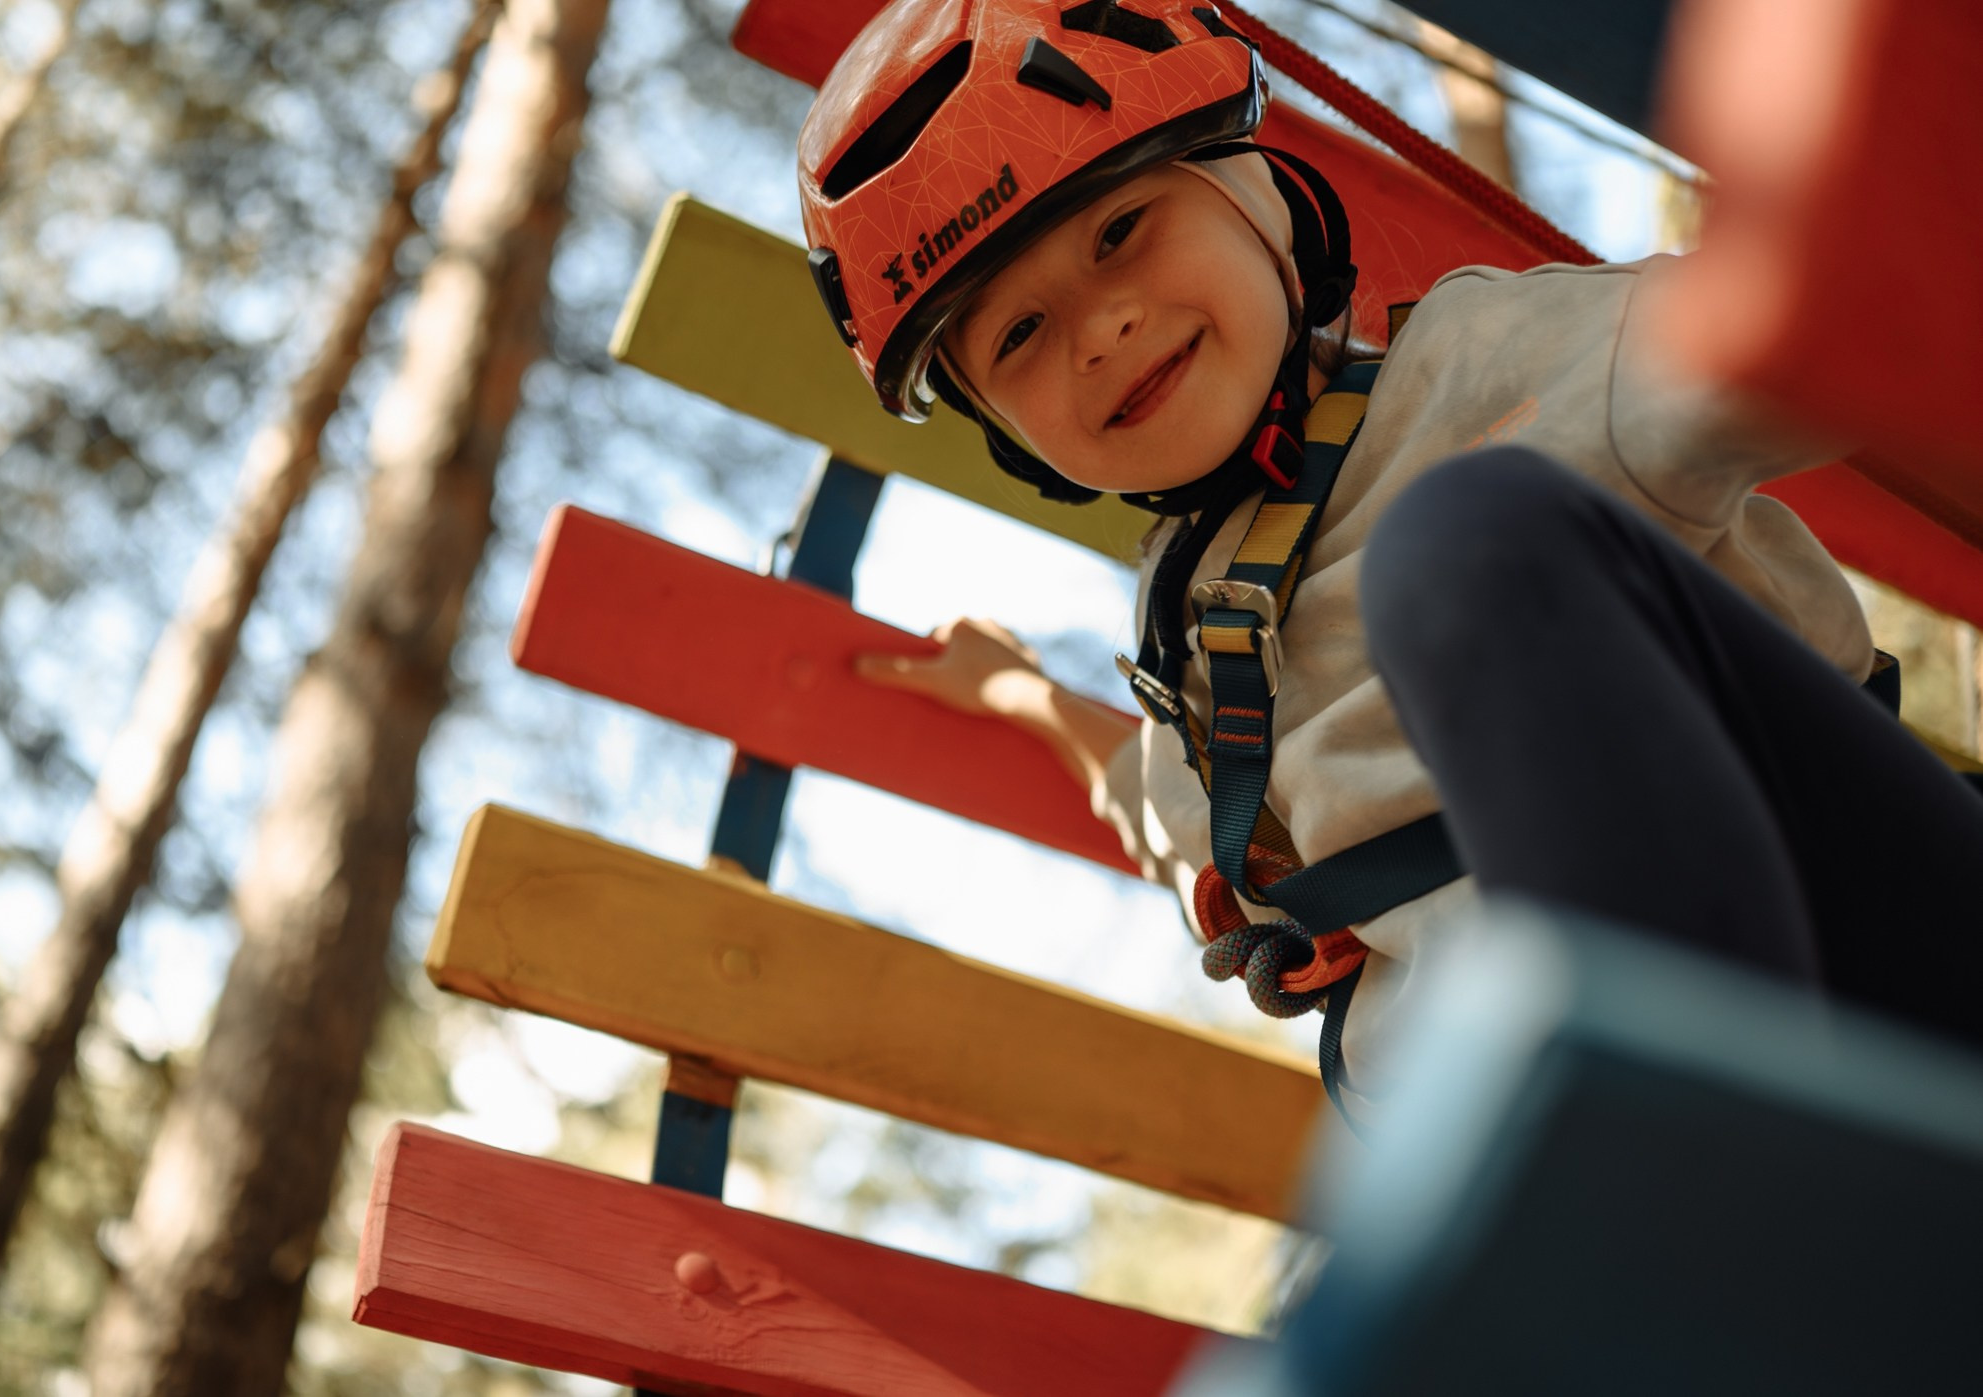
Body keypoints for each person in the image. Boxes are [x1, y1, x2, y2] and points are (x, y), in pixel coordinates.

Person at [797, 0, 1983, 1118]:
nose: (1099, 329)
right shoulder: (1192, 663)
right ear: (1010, 431)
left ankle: (1665, 1106)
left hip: (1853, 931)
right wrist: (1020, 693)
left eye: (1120, 232)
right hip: (1555, 1092)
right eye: (1019, 333)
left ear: (1254, 195)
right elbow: (1158, 815)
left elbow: (1802, 331)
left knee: (1462, 541)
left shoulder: (1493, 358)